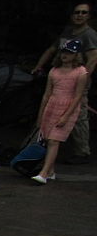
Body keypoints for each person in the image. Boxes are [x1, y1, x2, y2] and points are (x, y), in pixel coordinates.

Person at [32, 0, 97, 164]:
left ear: (89, 16)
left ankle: (82, 152)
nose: (80, 15)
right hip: (60, 77)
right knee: (53, 109)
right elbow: (52, 50)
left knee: (79, 114)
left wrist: (83, 78)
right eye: (77, 12)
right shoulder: (67, 32)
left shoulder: (89, 35)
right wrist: (39, 66)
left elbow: (93, 58)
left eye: (84, 12)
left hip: (76, 80)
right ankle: (48, 144)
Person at [31, 39, 90, 184]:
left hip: (68, 107)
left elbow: (78, 96)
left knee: (53, 140)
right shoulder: (54, 71)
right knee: (47, 138)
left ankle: (44, 173)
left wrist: (66, 116)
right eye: (63, 52)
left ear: (76, 55)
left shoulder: (81, 72)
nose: (65, 55)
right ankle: (50, 171)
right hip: (52, 105)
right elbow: (47, 94)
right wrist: (40, 115)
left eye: (69, 53)